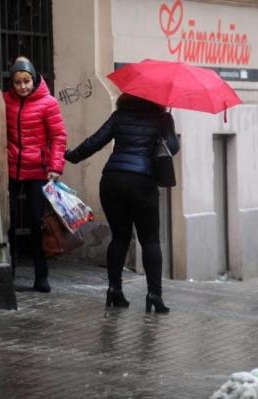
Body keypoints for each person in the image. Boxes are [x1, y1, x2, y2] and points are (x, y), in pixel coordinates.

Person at [65, 93, 179, 312]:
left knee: (119, 237)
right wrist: (165, 130)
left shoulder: (120, 116)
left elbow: (95, 141)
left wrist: (72, 156)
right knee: (150, 240)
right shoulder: (162, 119)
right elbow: (172, 148)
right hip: (142, 183)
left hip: (112, 180)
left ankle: (114, 290)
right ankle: (154, 295)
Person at [4, 56, 68, 293]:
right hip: (11, 168)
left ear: (34, 79)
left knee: (36, 223)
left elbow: (59, 136)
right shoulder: (5, 101)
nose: (22, 86)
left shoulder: (48, 103)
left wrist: (55, 166)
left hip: (38, 170)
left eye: (26, 81)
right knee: (7, 221)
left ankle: (41, 275)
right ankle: (8, 271)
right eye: (18, 82)